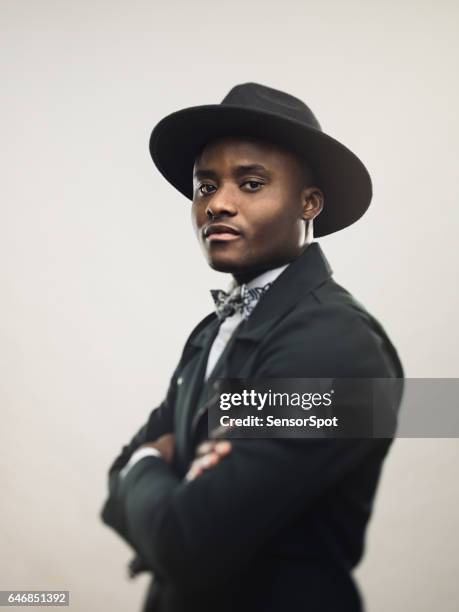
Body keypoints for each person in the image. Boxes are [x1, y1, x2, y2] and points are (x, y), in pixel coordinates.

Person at [100, 82, 404, 612]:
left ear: (308, 203)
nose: (217, 203)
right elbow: (116, 484)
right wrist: (152, 467)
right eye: (205, 186)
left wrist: (145, 465)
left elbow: (187, 542)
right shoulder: (209, 331)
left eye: (252, 182)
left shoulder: (339, 345)